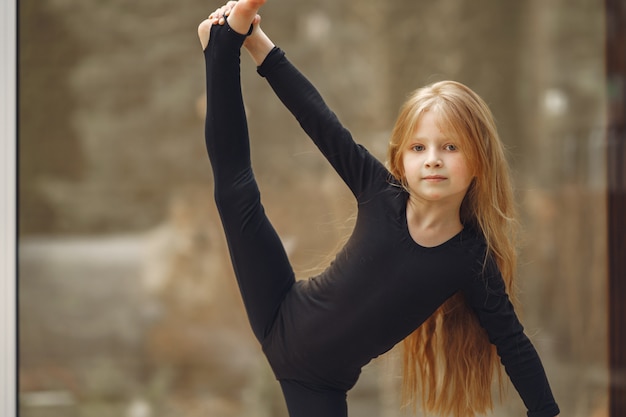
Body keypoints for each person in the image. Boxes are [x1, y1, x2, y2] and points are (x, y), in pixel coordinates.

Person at [197, 1, 561, 416]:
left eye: (450, 147)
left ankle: (224, 41)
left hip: (318, 387)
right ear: (401, 158)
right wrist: (257, 42)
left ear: (478, 161)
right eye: (419, 148)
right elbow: (316, 117)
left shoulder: (471, 260)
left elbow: (513, 343)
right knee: (234, 192)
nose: (433, 159)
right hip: (279, 308)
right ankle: (224, 45)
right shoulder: (380, 190)